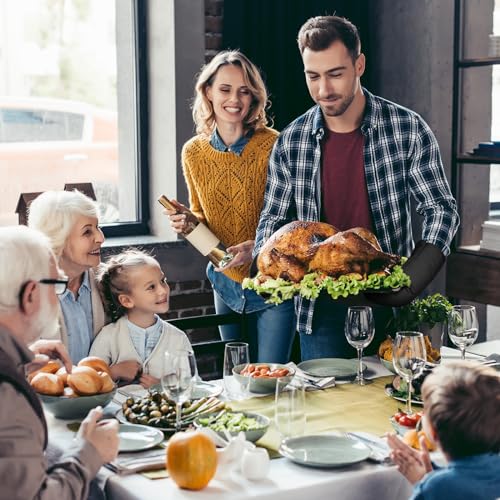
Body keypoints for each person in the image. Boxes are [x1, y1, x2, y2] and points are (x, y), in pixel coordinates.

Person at [253, 15, 460, 360]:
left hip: (392, 302)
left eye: (335, 74)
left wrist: (413, 277)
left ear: (359, 65)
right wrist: (265, 265)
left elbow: (441, 209)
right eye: (313, 76)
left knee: (393, 405)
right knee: (329, 411)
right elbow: (272, 217)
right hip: (321, 312)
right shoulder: (292, 140)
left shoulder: (407, 128)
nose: (324, 90)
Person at [167, 50, 295, 363]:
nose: (234, 99)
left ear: (254, 98)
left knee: (270, 380)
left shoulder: (275, 144)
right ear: (208, 92)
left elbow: (296, 220)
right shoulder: (193, 153)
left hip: (274, 286)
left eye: (244, 91)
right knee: (236, 381)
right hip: (225, 283)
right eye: (225, 89)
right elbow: (202, 218)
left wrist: (260, 248)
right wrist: (188, 225)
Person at [0, 225, 119, 499]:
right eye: (56, 285)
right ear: (30, 295)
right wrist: (90, 453)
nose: (60, 296)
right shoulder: (7, 396)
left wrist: (20, 361)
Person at [387, 362, 500, 499]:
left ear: (433, 433)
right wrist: (429, 476)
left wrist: (423, 484)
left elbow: (451, 487)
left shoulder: (436, 488)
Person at [89, 249, 192, 388]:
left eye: (163, 280)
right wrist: (114, 371)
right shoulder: (108, 336)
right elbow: (89, 380)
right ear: (126, 300)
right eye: (151, 287)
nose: (163, 290)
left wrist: (163, 386)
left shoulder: (178, 338)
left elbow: (191, 384)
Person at [28, 190, 108, 364]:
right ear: (58, 240)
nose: (101, 238)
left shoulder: (106, 280)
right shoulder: (27, 294)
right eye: (87, 232)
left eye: (98, 227)